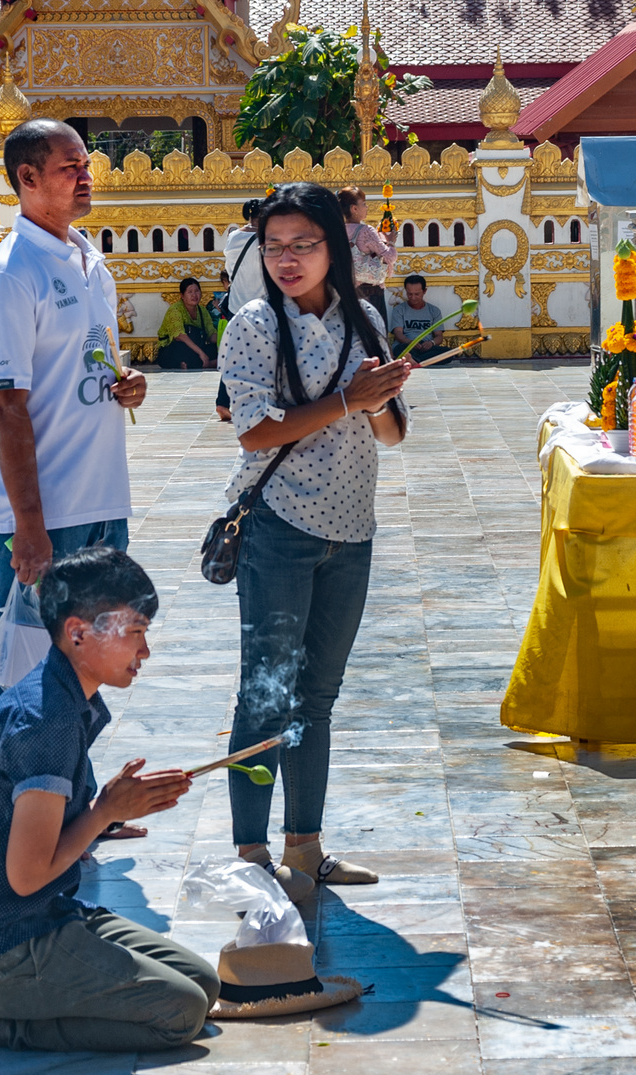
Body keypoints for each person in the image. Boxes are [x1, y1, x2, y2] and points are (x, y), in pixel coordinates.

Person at [0, 547, 215, 1053]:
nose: (145, 651)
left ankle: (11, 1002)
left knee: (204, 983)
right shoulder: (47, 721)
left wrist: (108, 815)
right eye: (134, 632)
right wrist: (104, 812)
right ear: (78, 632)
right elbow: (27, 876)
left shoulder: (63, 697)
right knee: (181, 1012)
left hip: (36, 915)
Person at [218, 182, 410, 896]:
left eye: (303, 244)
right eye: (274, 247)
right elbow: (255, 430)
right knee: (264, 694)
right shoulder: (253, 326)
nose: (287, 260)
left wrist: (381, 397)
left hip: (350, 529)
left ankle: (304, 848)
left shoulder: (363, 317)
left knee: (317, 697)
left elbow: (388, 433)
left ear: (335, 244)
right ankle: (249, 857)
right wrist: (344, 402)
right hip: (278, 528)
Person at [0, 118, 147, 709]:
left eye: (87, 165)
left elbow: (89, 363)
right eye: (71, 168)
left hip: (103, 503)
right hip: (50, 514)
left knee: (89, 672)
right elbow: (7, 409)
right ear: (28, 178)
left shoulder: (90, 260)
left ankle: (71, 796)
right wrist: (31, 528)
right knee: (25, 679)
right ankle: (0, 794)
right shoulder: (9, 276)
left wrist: (126, 384)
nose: (87, 177)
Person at [217, 198, 268, 422]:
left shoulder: (234, 237)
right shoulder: (266, 239)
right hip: (260, 303)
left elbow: (229, 269)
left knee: (234, 352)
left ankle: (223, 401)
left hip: (237, 303)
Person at [338, 185, 396, 329]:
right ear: (354, 209)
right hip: (371, 293)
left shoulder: (337, 231)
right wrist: (390, 241)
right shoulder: (366, 231)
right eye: (363, 204)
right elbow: (389, 257)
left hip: (346, 292)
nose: (367, 207)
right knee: (376, 337)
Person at [155, 277, 221, 370]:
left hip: (195, 348)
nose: (194, 295)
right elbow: (180, 336)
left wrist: (222, 344)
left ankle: (197, 363)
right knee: (181, 349)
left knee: (215, 350)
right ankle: (211, 363)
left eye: (197, 291)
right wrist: (201, 353)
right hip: (173, 349)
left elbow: (211, 332)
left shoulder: (202, 310)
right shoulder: (175, 310)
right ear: (182, 295)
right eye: (190, 292)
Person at [389, 274, 446, 363]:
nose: (413, 297)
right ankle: (420, 360)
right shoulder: (399, 309)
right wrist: (410, 342)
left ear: (424, 291)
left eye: (417, 294)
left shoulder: (434, 311)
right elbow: (398, 333)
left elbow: (439, 336)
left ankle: (414, 360)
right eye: (410, 294)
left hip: (426, 347)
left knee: (448, 353)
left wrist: (431, 343)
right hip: (407, 345)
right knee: (400, 349)